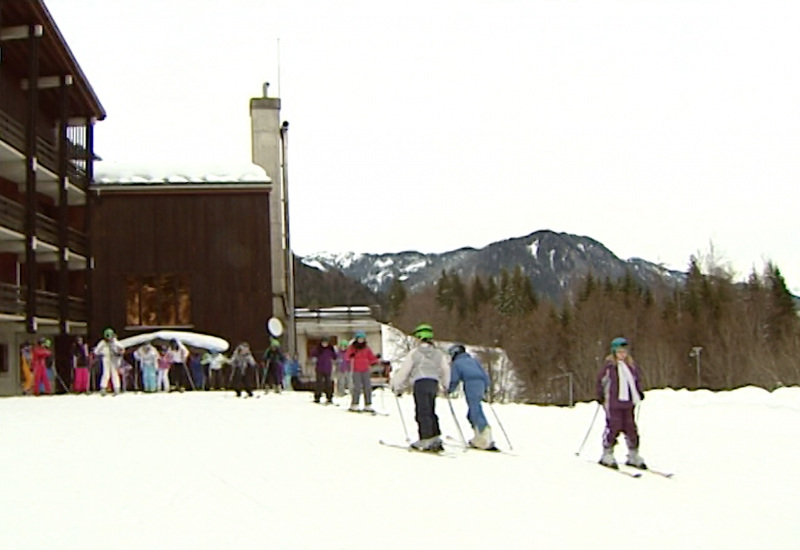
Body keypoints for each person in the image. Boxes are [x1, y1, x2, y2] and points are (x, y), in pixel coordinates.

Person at [391, 324, 450, 451]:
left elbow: (405, 371)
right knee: (431, 410)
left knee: (422, 411)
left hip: (420, 382)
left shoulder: (415, 353)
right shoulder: (438, 353)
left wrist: (397, 385)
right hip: (433, 383)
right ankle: (435, 436)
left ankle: (426, 438)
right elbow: (445, 370)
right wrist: (446, 384)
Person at [596, 336, 647, 470]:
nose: (622, 354)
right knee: (614, 426)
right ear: (614, 352)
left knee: (631, 428)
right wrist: (600, 395)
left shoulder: (631, 366)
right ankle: (607, 453)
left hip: (628, 403)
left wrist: (639, 392)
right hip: (613, 402)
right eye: (619, 352)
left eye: (624, 351)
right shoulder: (610, 367)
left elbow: (636, 381)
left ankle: (633, 454)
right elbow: (601, 381)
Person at [447, 344, 494, 449]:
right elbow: (484, 374)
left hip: (470, 384)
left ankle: (483, 436)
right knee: (474, 409)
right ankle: (479, 435)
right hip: (481, 383)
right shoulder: (473, 360)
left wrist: (449, 390)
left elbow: (454, 379)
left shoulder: (457, 363)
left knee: (475, 409)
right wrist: (486, 387)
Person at [345, 331, 379, 412]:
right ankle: (354, 404)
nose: (361, 340)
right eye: (359, 339)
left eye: (362, 339)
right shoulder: (352, 347)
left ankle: (368, 404)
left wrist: (376, 360)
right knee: (357, 387)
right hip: (356, 370)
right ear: (356, 339)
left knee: (367, 387)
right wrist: (351, 356)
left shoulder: (366, 348)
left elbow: (371, 357)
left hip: (365, 369)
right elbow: (347, 357)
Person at [93, 328, 125, 395]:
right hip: (106, 358)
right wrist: (100, 352)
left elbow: (122, 348)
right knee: (106, 373)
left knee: (114, 373)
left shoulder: (115, 342)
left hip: (114, 359)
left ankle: (117, 388)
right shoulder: (102, 343)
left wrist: (119, 352)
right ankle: (103, 388)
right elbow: (96, 351)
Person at [311, 337, 337, 404]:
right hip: (319, 368)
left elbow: (335, 356)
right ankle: (317, 397)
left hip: (328, 369)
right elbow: (313, 354)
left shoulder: (330, 349)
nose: (324, 344)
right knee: (319, 383)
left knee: (328, 384)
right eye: (323, 342)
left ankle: (329, 397)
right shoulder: (318, 349)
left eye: (326, 343)